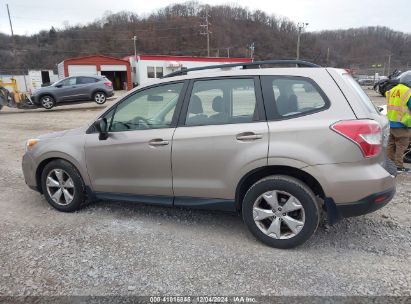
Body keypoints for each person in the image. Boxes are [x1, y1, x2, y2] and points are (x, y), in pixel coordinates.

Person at [386, 82, 411, 173]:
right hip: (402, 124)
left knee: (391, 144)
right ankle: (398, 166)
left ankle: (388, 164)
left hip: (391, 122)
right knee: (401, 145)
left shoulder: (391, 91)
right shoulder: (408, 92)